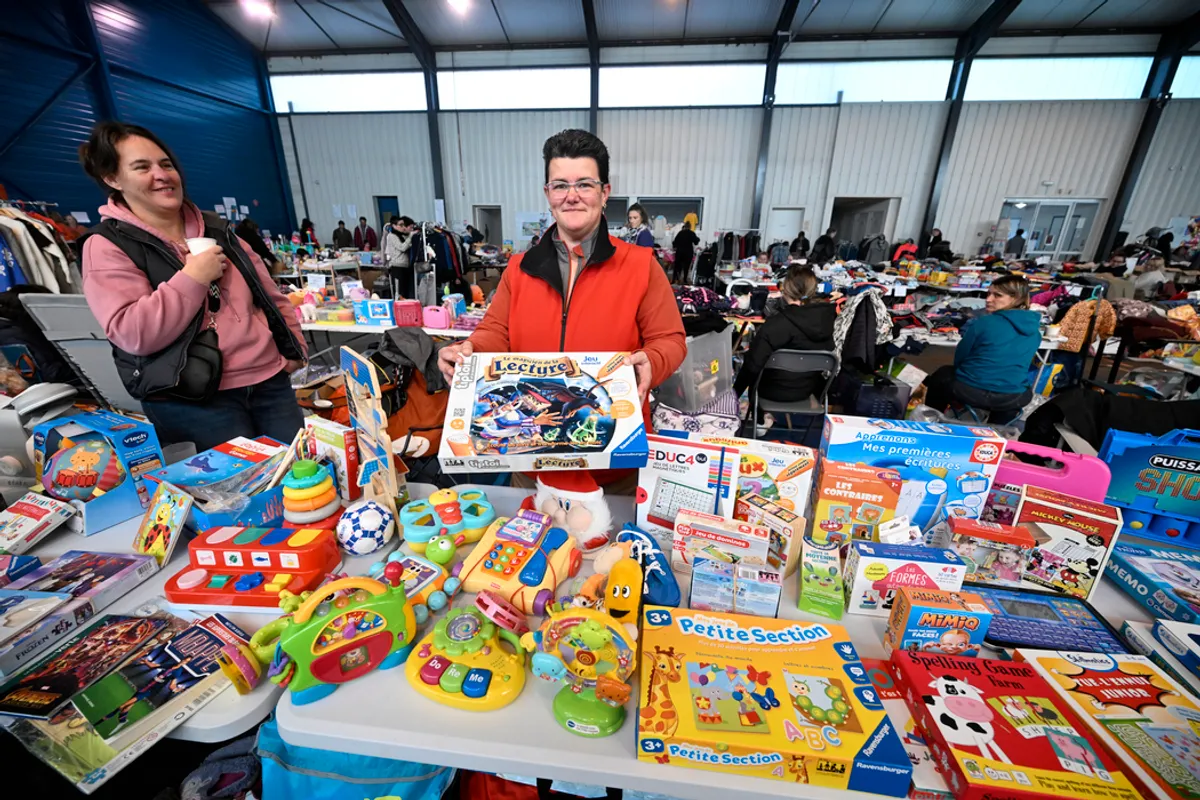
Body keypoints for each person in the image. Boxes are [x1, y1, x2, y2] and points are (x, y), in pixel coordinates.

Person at [437, 129, 685, 492]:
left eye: (584, 184)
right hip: (530, 459)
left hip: (610, 462)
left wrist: (653, 359)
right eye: (560, 185)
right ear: (547, 193)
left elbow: (671, 339)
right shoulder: (519, 269)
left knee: (609, 549)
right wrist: (470, 351)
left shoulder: (641, 265)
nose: (572, 196)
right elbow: (496, 333)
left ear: (605, 193)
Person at [77, 121, 307, 451]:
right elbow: (132, 332)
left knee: (302, 485)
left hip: (270, 384)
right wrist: (193, 278)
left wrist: (294, 348)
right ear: (112, 179)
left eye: (166, 164)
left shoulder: (218, 229)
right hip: (194, 399)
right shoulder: (107, 245)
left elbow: (269, 294)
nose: (161, 175)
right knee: (234, 498)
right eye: (142, 167)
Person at [921, 275, 1039, 420]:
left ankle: (930, 421)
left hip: (972, 392)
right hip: (1013, 398)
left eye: (997, 295)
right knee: (1017, 387)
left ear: (1015, 298)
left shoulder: (984, 323)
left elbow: (961, 358)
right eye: (988, 294)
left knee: (943, 374)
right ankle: (998, 432)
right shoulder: (1035, 332)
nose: (988, 299)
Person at [734, 267, 835, 422]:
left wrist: (733, 395)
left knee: (753, 363)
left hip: (771, 392)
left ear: (785, 289)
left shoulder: (777, 324)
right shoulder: (827, 320)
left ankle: (758, 421)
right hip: (806, 391)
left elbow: (752, 367)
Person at [385, 215, 415, 298]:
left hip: (405, 267)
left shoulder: (402, 235)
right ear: (394, 226)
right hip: (397, 267)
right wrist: (410, 237)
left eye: (403, 225)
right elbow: (402, 247)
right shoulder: (391, 236)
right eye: (401, 225)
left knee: (405, 292)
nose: (403, 227)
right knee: (399, 292)